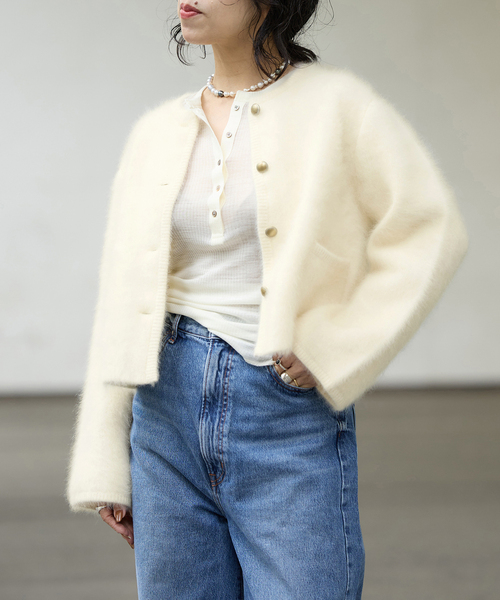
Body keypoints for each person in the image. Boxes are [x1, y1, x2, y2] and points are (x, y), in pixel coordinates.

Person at [65, 1, 469, 598]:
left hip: (282, 417)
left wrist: (335, 344)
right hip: (163, 421)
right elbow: (123, 296)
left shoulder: (336, 108)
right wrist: (104, 456)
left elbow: (429, 229)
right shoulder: (158, 130)